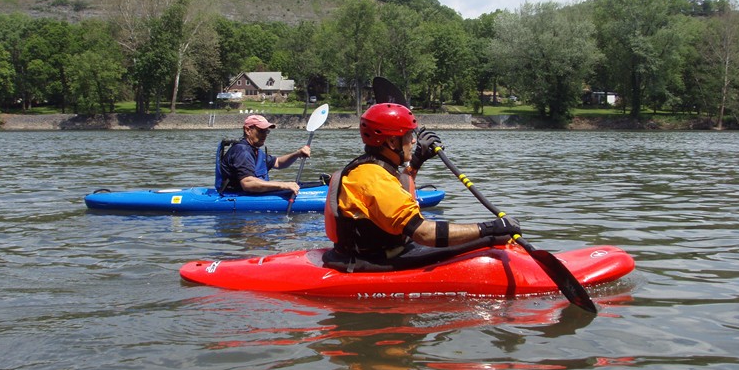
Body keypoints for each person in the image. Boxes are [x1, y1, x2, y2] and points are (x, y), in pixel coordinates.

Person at [323, 103, 520, 269]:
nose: (414, 140)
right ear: (392, 141)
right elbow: (423, 233)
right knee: (489, 240)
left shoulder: (370, 167)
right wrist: (488, 228)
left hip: (378, 251)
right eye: (409, 136)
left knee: (489, 236)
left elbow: (395, 190)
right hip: (375, 260)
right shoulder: (372, 178)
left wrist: (417, 161)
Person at [220, 114, 311, 195]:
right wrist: (284, 185)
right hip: (236, 196)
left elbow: (278, 163)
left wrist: (298, 154)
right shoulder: (242, 152)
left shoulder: (255, 150)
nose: (265, 135)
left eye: (266, 131)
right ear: (248, 130)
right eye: (261, 131)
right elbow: (247, 183)